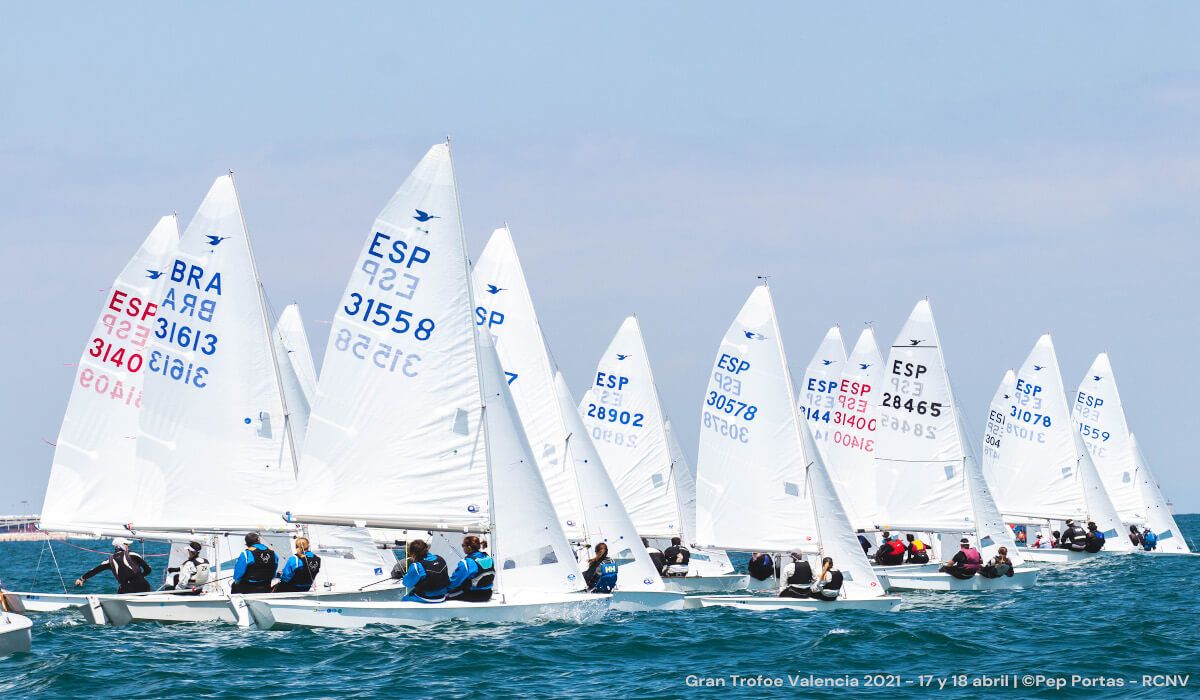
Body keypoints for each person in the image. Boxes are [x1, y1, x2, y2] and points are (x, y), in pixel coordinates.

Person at [74, 537, 153, 593]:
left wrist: (82, 579)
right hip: (143, 587)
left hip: (126, 589)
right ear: (121, 545)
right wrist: (141, 576)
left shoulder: (109, 561)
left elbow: (95, 570)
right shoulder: (133, 554)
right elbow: (148, 570)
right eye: (126, 544)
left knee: (121, 589)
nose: (128, 546)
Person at [448, 535, 495, 602]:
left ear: (468, 547)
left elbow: (454, 583)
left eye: (463, 545)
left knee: (445, 595)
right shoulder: (489, 558)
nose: (462, 547)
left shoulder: (466, 563)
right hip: (488, 594)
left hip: (473, 595)